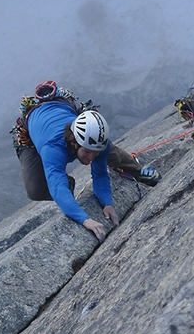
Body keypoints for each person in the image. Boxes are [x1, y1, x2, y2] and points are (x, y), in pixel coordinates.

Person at [15, 86, 161, 242]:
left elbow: (99, 174)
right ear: (75, 142)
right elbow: (56, 188)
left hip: (63, 108)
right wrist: (85, 220)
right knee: (35, 190)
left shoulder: (94, 141)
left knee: (109, 153)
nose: (91, 157)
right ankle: (68, 185)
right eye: (87, 152)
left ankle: (136, 169)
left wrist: (108, 204)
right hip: (30, 134)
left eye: (94, 152)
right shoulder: (53, 149)